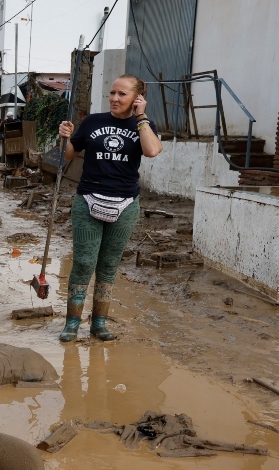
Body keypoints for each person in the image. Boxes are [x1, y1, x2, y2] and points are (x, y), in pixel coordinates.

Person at [56, 74, 163, 342]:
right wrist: (65, 137)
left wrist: (141, 118)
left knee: (108, 265)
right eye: (112, 93)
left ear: (137, 98)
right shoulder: (93, 122)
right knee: (83, 262)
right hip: (88, 199)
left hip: (125, 204)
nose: (115, 98)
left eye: (122, 94)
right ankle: (72, 323)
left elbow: (151, 151)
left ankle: (99, 323)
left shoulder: (145, 126)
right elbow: (69, 155)